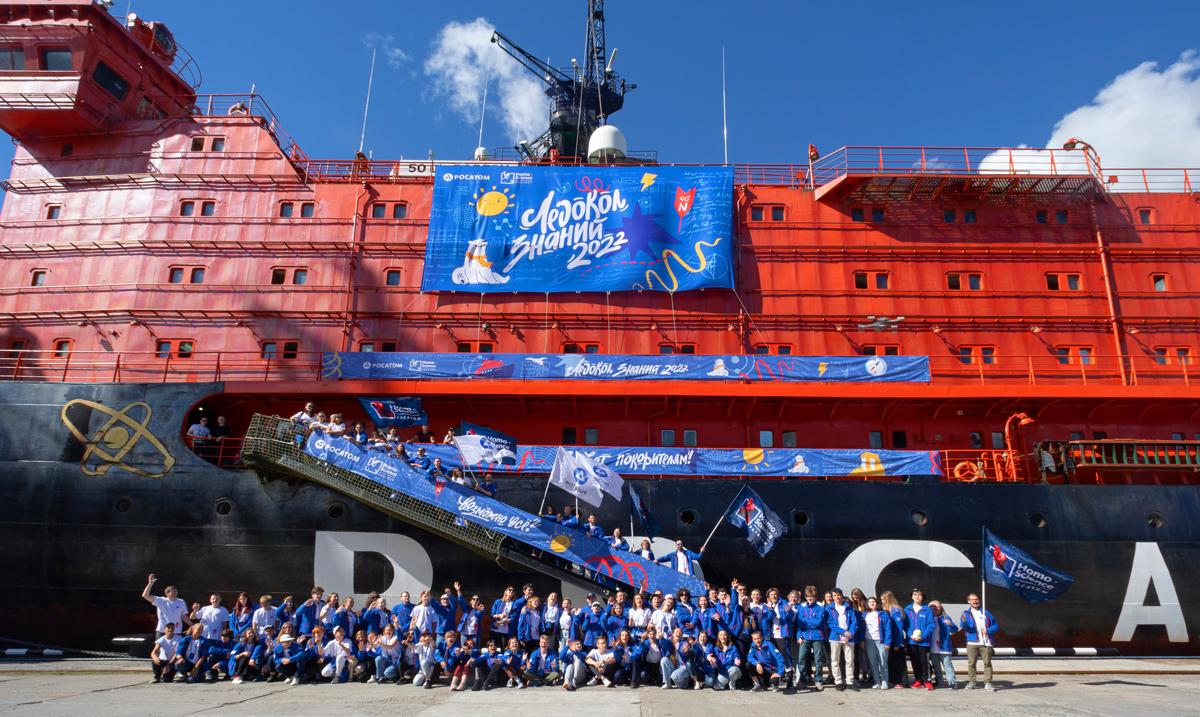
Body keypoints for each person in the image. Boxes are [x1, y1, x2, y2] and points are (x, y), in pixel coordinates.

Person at [960, 592, 998, 691]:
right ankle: (972, 682)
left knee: (987, 663)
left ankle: (988, 683)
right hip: (972, 643)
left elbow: (995, 626)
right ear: (969, 601)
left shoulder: (986, 613)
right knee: (971, 663)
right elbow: (964, 627)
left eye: (976, 599)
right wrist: (964, 622)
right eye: (972, 599)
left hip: (986, 642)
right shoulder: (966, 614)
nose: (975, 601)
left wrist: (988, 630)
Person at [825, 588, 860, 692]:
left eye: (838, 595)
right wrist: (843, 632)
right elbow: (830, 623)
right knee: (835, 660)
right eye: (834, 595)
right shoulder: (829, 608)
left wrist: (849, 633)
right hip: (835, 637)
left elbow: (854, 623)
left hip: (849, 637)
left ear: (842, 595)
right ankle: (838, 681)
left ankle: (849, 682)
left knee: (849, 660)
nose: (837, 597)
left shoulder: (849, 608)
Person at [141, 573, 190, 638]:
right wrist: (150, 583)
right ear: (167, 593)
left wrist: (192, 624)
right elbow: (145, 595)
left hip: (176, 631)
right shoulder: (161, 600)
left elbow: (183, 616)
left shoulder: (181, 602)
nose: (176, 593)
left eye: (176, 591)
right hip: (162, 631)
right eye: (174, 591)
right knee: (159, 645)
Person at [905, 588, 935, 690]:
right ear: (912, 597)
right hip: (911, 641)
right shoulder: (907, 609)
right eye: (915, 595)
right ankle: (918, 680)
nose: (917, 597)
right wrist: (910, 635)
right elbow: (905, 625)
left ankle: (927, 681)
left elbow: (931, 625)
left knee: (924, 662)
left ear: (922, 597)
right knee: (915, 661)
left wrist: (923, 636)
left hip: (924, 642)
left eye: (919, 595)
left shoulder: (927, 609)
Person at [862, 596, 893, 689]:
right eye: (869, 602)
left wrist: (888, 642)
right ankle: (877, 682)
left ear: (877, 603)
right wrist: (862, 641)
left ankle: (884, 681)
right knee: (873, 662)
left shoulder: (883, 614)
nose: (872, 603)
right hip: (869, 640)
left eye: (873, 601)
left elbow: (888, 629)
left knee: (883, 662)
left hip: (881, 640)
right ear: (867, 604)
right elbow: (861, 628)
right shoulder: (864, 615)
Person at [880, 590, 908, 689]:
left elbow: (899, 627)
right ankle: (893, 680)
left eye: (883, 599)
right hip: (889, 640)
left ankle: (902, 682)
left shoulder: (896, 610)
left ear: (888, 599)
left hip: (896, 640)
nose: (882, 601)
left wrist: (898, 643)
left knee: (899, 662)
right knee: (891, 661)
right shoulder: (886, 610)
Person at [928, 601, 959, 690]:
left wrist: (951, 624)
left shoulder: (945, 617)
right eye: (933, 606)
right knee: (936, 666)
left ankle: (952, 682)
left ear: (941, 608)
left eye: (938, 607)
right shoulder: (928, 618)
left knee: (947, 665)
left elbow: (955, 630)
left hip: (944, 646)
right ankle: (939, 682)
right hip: (932, 647)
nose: (935, 608)